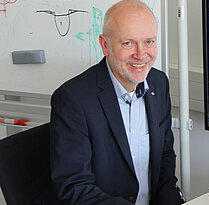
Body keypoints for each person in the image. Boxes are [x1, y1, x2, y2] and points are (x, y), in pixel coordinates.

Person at [49, 1, 182, 204]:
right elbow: (75, 187)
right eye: (128, 43)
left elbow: (165, 161)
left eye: (149, 42)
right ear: (105, 45)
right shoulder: (73, 100)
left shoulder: (158, 83)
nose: (141, 54)